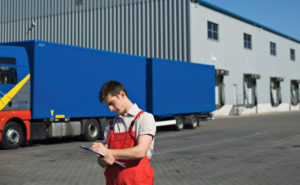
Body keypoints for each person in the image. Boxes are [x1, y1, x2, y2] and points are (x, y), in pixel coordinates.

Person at [91, 80, 156, 185]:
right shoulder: (110, 125)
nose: (110, 109)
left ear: (122, 94)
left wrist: (108, 152)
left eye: (112, 103)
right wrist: (102, 160)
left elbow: (140, 152)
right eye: (107, 105)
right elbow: (103, 159)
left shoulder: (144, 118)